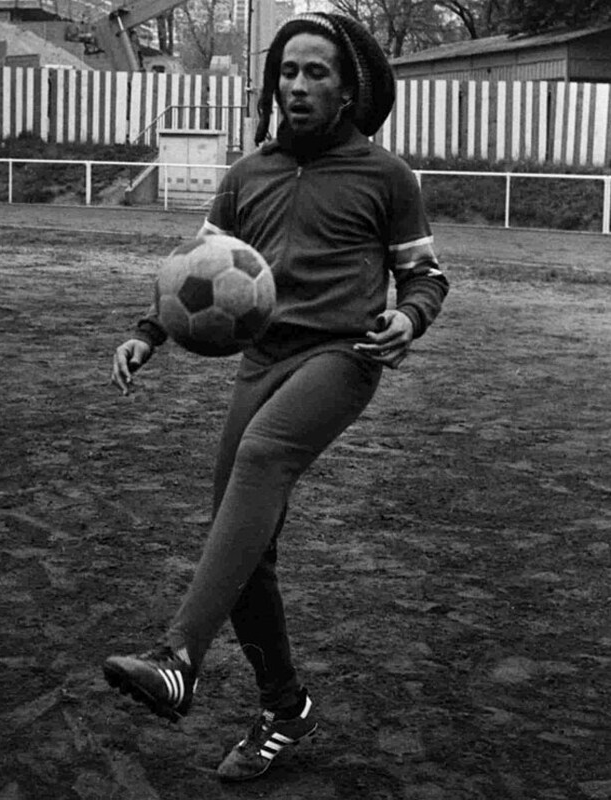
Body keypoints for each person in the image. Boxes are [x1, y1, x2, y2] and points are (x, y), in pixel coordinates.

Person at [104, 12, 449, 783]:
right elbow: (189, 271)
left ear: (349, 88)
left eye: (317, 72)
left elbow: (426, 276)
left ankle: (178, 657)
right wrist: (145, 334)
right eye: (288, 71)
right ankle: (284, 707)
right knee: (245, 545)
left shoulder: (386, 177)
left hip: (343, 355)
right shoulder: (246, 174)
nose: (298, 85)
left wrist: (409, 316)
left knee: (264, 454)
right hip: (261, 361)